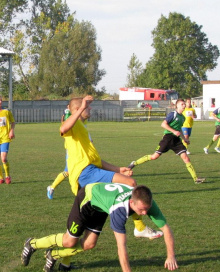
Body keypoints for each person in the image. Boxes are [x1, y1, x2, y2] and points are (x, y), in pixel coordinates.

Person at [53, 95, 163, 270]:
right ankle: (139, 227)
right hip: (85, 174)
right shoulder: (73, 123)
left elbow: (97, 161)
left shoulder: (83, 128)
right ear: (77, 109)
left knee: (84, 238)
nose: (90, 109)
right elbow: (63, 128)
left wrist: (118, 169)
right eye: (87, 107)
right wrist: (80, 107)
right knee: (131, 183)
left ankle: (64, 262)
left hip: (92, 173)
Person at [21, 183, 179, 272]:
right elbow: (121, 247)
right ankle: (32, 243)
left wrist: (171, 256)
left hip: (102, 206)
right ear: (132, 202)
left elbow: (166, 229)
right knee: (69, 241)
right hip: (88, 200)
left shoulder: (146, 202)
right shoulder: (119, 210)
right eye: (141, 210)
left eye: (147, 209)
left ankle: (54, 254)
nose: (144, 213)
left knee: (89, 244)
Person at [128, 99, 205, 184]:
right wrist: (173, 131)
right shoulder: (173, 114)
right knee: (154, 156)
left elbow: (179, 129)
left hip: (176, 140)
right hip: (167, 138)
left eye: (184, 104)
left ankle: (195, 178)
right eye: (182, 104)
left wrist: (184, 139)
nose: (184, 105)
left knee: (186, 158)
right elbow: (163, 124)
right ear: (177, 106)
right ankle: (134, 163)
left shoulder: (182, 117)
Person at [46, 107, 71, 200]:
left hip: (82, 150)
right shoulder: (68, 117)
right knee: (68, 172)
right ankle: (52, 187)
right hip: (72, 150)